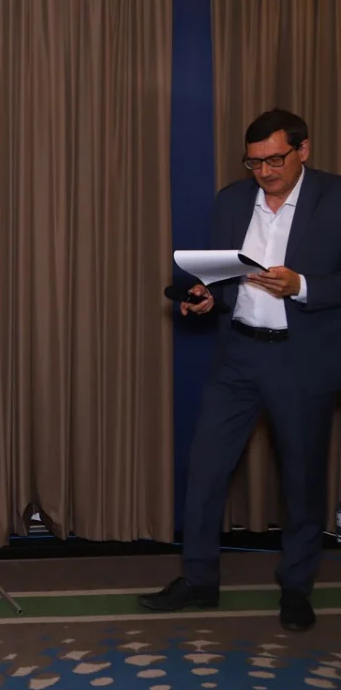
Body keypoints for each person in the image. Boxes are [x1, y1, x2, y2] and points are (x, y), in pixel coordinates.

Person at [139, 108, 341, 632]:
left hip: (302, 361)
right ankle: (199, 579)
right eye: (254, 162)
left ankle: (296, 587)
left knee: (302, 477)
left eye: (275, 160)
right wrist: (208, 297)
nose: (265, 172)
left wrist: (302, 286)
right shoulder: (231, 199)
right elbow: (225, 275)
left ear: (303, 149)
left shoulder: (335, 198)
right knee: (205, 468)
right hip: (238, 356)